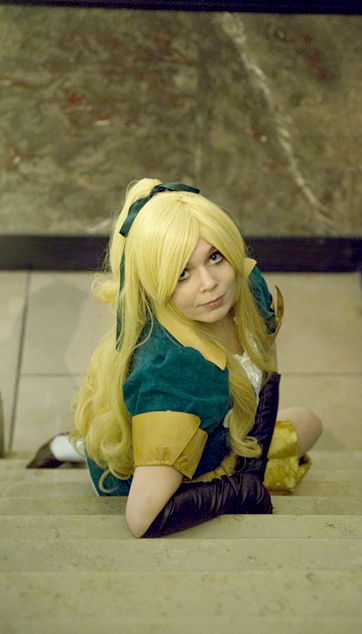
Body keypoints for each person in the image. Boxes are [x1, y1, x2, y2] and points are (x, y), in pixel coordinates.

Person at [28, 179, 322, 538]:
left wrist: (252, 466)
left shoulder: (243, 284)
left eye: (214, 256)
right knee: (125, 454)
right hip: (169, 474)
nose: (209, 283)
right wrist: (242, 489)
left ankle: (71, 446)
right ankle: (72, 450)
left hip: (224, 437)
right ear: (155, 282)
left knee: (309, 424)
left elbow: (264, 374)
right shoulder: (178, 374)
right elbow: (143, 518)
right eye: (182, 273)